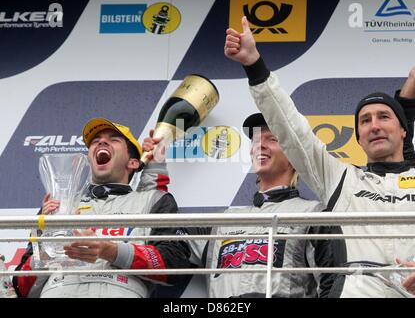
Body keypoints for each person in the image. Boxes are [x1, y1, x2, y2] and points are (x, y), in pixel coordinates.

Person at [224, 16, 415, 297]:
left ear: (403, 131)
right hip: (361, 288)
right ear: (359, 139)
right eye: (365, 121)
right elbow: (291, 128)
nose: (374, 125)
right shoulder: (342, 178)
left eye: (384, 117)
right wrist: (255, 66)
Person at [146, 115, 332, 297]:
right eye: (256, 140)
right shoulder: (223, 222)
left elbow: (333, 282)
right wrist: (155, 166)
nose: (260, 145)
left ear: (294, 157)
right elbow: (163, 236)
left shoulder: (312, 214)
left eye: (272, 139)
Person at [13, 117, 190, 298]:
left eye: (114, 139)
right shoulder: (58, 206)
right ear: (89, 158)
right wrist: (49, 250)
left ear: (133, 163)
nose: (102, 141)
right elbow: (21, 286)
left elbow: (174, 264)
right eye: (95, 141)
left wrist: (111, 251)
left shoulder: (154, 200)